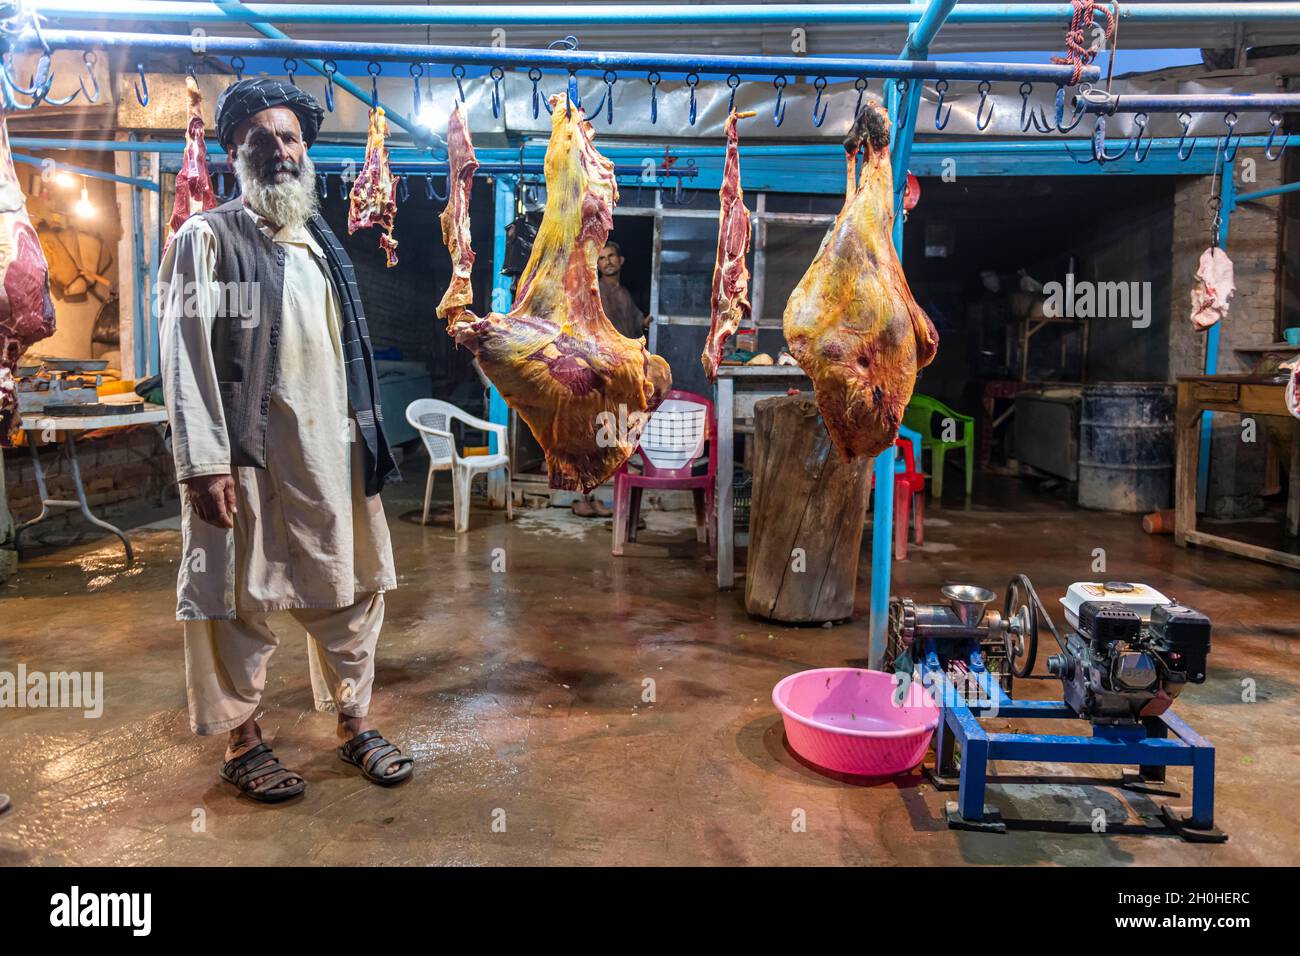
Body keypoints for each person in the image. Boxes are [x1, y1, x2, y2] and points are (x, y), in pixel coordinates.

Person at [158, 78, 413, 803]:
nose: (279, 151)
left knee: (353, 585)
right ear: (234, 151)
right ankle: (245, 741)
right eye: (261, 139)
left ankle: (354, 723)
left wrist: (363, 441)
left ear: (305, 150)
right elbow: (185, 361)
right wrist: (203, 465)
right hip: (242, 456)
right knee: (236, 597)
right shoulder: (202, 239)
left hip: (331, 449)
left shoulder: (321, 245)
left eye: (291, 137)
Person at [572, 241, 651, 519]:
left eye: (611, 257)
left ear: (621, 260)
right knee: (592, 436)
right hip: (600, 371)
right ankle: (584, 497)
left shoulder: (624, 294)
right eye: (602, 258)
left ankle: (607, 497)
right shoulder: (596, 292)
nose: (606, 262)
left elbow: (633, 322)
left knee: (613, 437)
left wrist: (645, 322)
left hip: (622, 375)